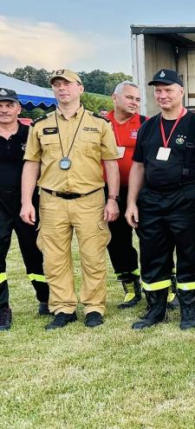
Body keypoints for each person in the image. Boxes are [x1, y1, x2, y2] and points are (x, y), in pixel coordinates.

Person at [21, 69, 121, 330]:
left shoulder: (100, 125)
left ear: (80, 88)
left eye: (67, 84)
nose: (61, 88)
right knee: (54, 258)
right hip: (52, 201)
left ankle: (93, 307)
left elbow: (110, 163)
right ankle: (63, 307)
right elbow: (31, 165)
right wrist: (26, 202)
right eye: (56, 85)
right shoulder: (40, 125)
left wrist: (113, 198)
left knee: (93, 256)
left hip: (90, 200)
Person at [125, 69, 195, 330]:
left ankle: (189, 310)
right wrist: (131, 202)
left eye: (168, 90)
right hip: (151, 199)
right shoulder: (148, 127)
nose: (163, 95)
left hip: (186, 197)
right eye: (158, 91)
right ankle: (156, 310)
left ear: (181, 92)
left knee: (190, 253)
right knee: (152, 255)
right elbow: (138, 167)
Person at [0, 88, 49, 330]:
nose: (3, 109)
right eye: (0, 105)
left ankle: (45, 298)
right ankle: (2, 309)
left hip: (28, 203)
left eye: (9, 105)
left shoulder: (31, 134)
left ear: (19, 108)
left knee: (34, 253)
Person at [105, 81, 147, 309]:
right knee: (117, 242)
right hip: (110, 193)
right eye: (130, 98)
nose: (134, 103)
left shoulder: (145, 124)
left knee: (151, 239)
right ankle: (130, 287)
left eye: (138, 99)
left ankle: (164, 287)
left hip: (141, 192)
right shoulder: (100, 124)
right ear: (115, 97)